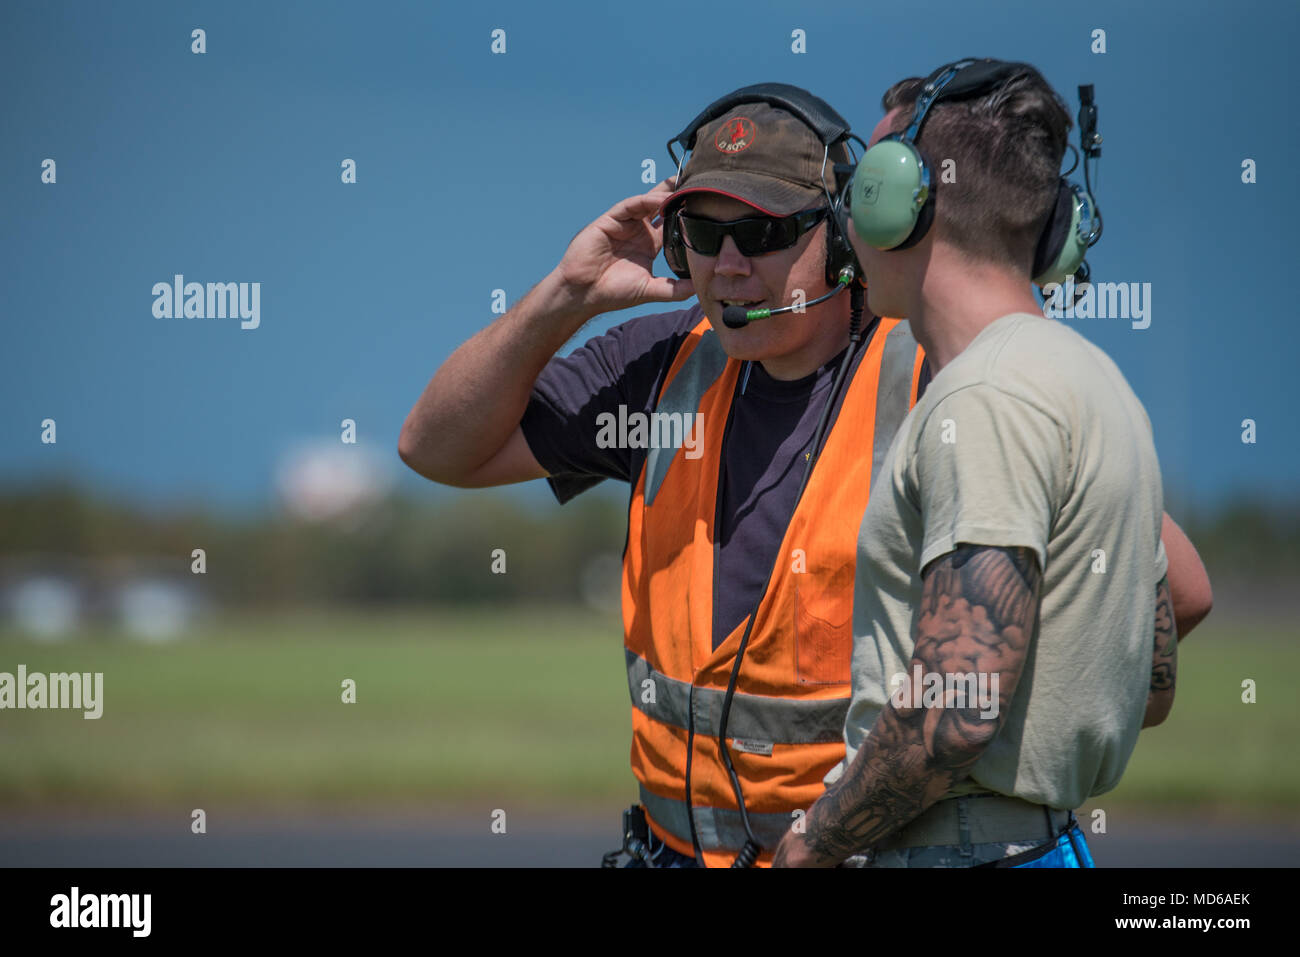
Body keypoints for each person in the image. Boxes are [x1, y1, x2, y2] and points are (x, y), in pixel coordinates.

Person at [399, 81, 1212, 868]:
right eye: (702, 234)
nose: (728, 265)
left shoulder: (950, 377)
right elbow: (434, 447)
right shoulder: (662, 366)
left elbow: (1170, 585)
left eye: (761, 234)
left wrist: (975, 728)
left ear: (845, 228)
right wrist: (565, 296)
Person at [772, 60, 1211, 869]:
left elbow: (957, 708)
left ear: (899, 199)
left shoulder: (982, 400)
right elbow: (1151, 685)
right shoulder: (1102, 388)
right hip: (1044, 841)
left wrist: (810, 843)